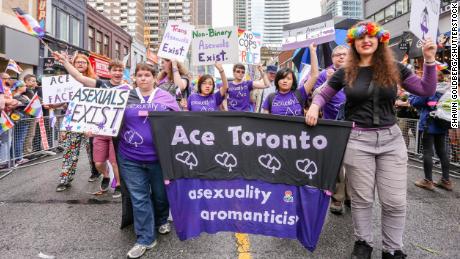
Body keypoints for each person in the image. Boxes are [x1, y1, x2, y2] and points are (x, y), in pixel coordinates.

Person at [305, 21, 437, 259]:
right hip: (357, 140)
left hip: (391, 140)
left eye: (371, 36)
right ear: (354, 43)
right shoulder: (346, 71)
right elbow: (324, 93)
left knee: (395, 201)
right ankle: (363, 243)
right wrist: (314, 106)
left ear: (380, 41)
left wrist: (428, 60)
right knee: (362, 199)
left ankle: (392, 248)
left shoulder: (394, 67)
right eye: (361, 37)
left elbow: (426, 90)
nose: (366, 40)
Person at [116, 63, 179, 258]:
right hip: (130, 157)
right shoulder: (124, 96)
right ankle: (145, 238)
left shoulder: (165, 97)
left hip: (159, 158)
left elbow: (180, 122)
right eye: (139, 75)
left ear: (154, 78)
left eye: (147, 75)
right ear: (134, 77)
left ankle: (161, 219)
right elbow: (109, 119)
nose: (143, 78)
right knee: (139, 197)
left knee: (160, 195)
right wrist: (95, 128)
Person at [53, 52, 125, 198]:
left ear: (123, 72)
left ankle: (118, 185)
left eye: (120, 70)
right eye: (114, 70)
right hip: (100, 131)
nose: (117, 73)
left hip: (117, 132)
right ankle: (105, 175)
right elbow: (79, 77)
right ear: (109, 72)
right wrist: (65, 62)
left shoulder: (128, 89)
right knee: (98, 162)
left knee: (115, 161)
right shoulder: (101, 84)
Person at [52, 53, 99, 191]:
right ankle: (65, 179)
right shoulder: (66, 81)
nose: (80, 64)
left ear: (87, 65)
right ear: (74, 64)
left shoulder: (94, 80)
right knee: (70, 151)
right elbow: (63, 99)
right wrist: (53, 105)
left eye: (83, 62)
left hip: (90, 120)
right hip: (72, 120)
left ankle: (95, 172)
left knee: (92, 150)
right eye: (78, 62)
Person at [411, 72, 452, 191]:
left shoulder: (429, 89)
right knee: (442, 152)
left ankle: (428, 181)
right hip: (442, 124)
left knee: (427, 152)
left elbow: (416, 102)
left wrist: (413, 94)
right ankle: (446, 180)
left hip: (429, 124)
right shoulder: (447, 89)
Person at [262, 44, 318, 116]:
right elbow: (264, 121)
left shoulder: (300, 93)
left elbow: (314, 75)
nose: (285, 81)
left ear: (293, 81)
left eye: (288, 79)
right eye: (282, 78)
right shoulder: (270, 98)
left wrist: (312, 51)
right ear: (277, 81)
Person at [11, 80, 30, 165]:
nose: (26, 87)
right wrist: (28, 100)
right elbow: (28, 104)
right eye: (24, 86)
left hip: (20, 119)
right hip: (21, 120)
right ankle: (18, 158)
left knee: (17, 139)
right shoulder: (17, 97)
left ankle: (14, 157)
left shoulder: (20, 96)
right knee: (19, 139)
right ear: (19, 87)